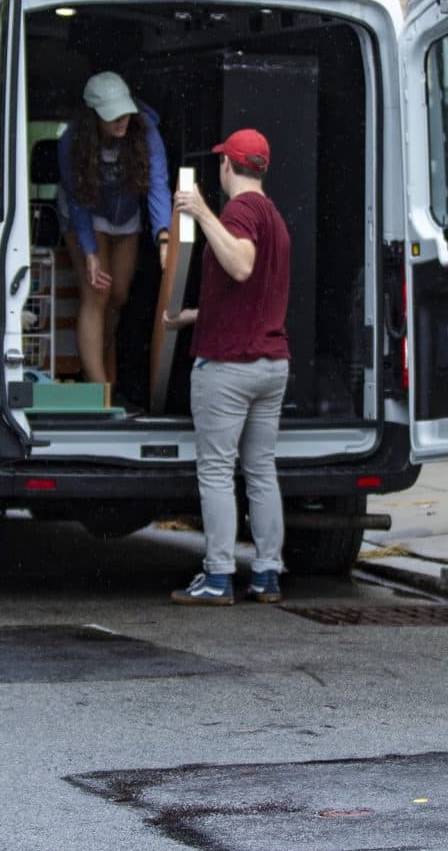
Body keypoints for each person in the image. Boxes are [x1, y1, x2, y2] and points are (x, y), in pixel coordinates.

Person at [161, 128, 291, 605]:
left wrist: (198, 211)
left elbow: (239, 265)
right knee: (260, 470)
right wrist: (190, 317)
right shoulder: (273, 217)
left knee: (216, 472)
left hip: (229, 368)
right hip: (271, 365)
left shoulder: (238, 211)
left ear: (227, 166)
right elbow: (253, 291)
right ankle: (267, 573)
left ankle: (217, 576)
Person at [57, 71, 172, 387]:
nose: (121, 119)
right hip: (87, 212)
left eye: (124, 111)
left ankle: (104, 373)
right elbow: (78, 198)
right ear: (94, 116)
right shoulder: (72, 142)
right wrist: (89, 251)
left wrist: (163, 235)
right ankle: (99, 389)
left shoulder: (144, 130)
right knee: (97, 292)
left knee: (118, 295)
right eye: (112, 115)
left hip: (126, 216)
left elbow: (158, 183)